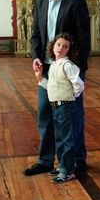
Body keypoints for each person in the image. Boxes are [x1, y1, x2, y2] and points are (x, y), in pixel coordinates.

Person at [24, 0, 91, 177]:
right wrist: (36, 57)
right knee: (45, 115)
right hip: (45, 69)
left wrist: (75, 69)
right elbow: (36, 34)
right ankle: (45, 161)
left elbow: (83, 39)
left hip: (68, 70)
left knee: (73, 116)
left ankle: (78, 160)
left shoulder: (76, 2)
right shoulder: (40, 1)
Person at [34, 33, 84, 184]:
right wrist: (39, 78)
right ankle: (63, 165)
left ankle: (67, 170)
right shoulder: (54, 65)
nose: (61, 48)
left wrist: (70, 98)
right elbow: (50, 88)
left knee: (67, 140)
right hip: (56, 108)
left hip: (66, 107)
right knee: (60, 139)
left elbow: (79, 85)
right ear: (53, 46)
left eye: (65, 46)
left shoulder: (68, 65)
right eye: (59, 44)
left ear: (69, 50)